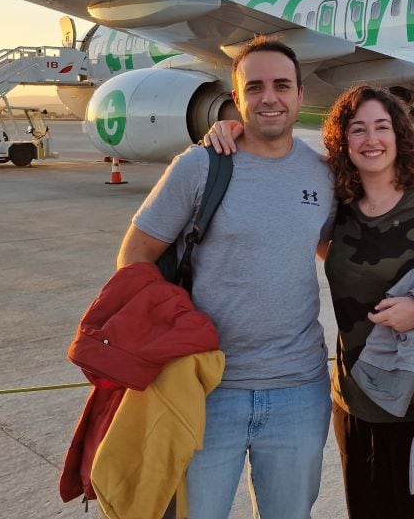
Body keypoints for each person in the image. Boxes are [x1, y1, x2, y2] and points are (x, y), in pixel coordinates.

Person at [208, 86, 414, 518]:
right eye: (358, 130)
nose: (371, 140)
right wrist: (234, 131)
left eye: (382, 127)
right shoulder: (337, 212)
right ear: (343, 143)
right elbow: (294, 197)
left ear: (399, 136)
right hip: (358, 403)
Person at [116, 37, 335, 519]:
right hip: (205, 390)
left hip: (299, 388)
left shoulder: (323, 176)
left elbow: (330, 250)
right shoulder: (200, 166)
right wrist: (172, 331)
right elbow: (136, 257)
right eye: (254, 87)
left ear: (301, 95)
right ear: (237, 98)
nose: (269, 97)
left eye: (281, 85)